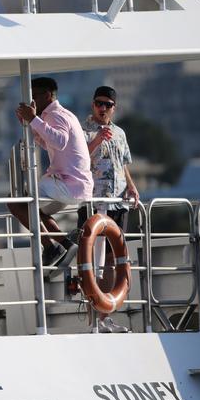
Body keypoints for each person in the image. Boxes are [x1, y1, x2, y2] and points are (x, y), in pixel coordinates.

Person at [8, 77, 93, 271]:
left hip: (69, 184)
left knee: (15, 201)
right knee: (33, 211)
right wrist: (31, 123)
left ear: (47, 95)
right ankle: (63, 243)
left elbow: (60, 141)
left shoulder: (56, 115)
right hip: (74, 185)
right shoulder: (61, 114)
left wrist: (34, 119)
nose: (32, 102)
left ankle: (51, 247)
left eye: (35, 97)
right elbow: (49, 144)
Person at [79, 86, 139, 333]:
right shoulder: (83, 131)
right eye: (98, 104)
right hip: (95, 202)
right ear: (93, 105)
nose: (102, 109)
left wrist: (132, 187)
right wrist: (96, 140)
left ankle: (105, 316)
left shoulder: (120, 133)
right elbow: (79, 159)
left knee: (113, 261)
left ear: (114, 108)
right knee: (94, 261)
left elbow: (123, 165)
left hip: (117, 202)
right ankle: (96, 318)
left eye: (107, 105)